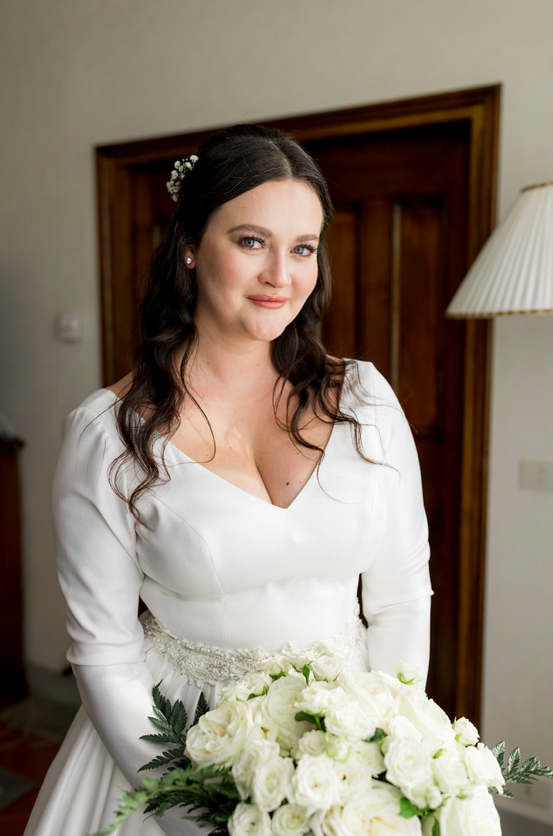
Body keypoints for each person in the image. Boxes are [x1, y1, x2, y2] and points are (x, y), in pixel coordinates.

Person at [24, 124, 432, 836]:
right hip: (177, 749)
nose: (282, 274)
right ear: (189, 245)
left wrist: (386, 753)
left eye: (302, 247)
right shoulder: (108, 435)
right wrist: (193, 814)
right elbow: (103, 650)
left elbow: (400, 596)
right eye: (251, 242)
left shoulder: (364, 401)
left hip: (349, 749)